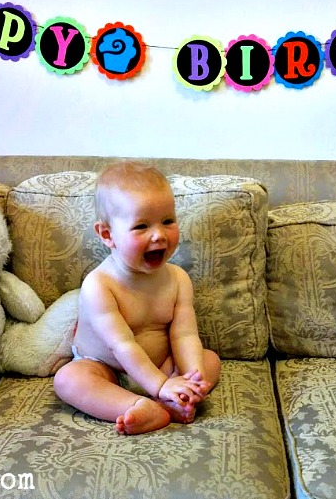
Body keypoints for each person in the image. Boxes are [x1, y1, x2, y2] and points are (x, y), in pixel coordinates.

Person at [53, 161, 221, 435]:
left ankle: (171, 402)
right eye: (141, 226)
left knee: (209, 360)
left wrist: (191, 378)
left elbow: (185, 335)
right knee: (68, 379)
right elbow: (122, 345)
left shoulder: (178, 279)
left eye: (168, 221)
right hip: (108, 370)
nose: (159, 235)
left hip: (162, 366)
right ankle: (137, 404)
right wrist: (160, 385)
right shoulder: (99, 285)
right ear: (107, 234)